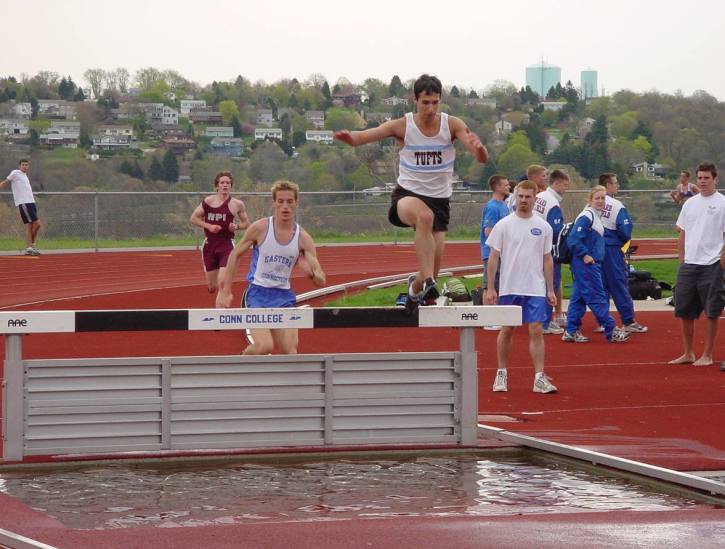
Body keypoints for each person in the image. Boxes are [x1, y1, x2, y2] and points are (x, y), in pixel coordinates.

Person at [334, 74, 488, 311]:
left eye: (435, 102)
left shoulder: (452, 124)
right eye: (425, 102)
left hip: (440, 202)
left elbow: (480, 157)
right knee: (423, 218)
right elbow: (366, 136)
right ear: (415, 100)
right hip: (408, 196)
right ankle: (427, 282)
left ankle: (415, 289)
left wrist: (480, 150)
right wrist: (349, 138)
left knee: (433, 269)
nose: (430, 108)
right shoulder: (403, 125)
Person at [216, 180, 326, 355]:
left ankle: (286, 382)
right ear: (274, 203)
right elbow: (235, 254)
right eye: (280, 201)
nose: (285, 206)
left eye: (289, 201)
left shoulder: (303, 238)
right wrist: (226, 291)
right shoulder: (260, 228)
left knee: (290, 351)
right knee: (264, 346)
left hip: (284, 297)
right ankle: (241, 362)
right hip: (257, 294)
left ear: (296, 203)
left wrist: (312, 274)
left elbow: (321, 278)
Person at [484, 180, 558, 394]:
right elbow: (493, 257)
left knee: (536, 329)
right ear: (516, 197)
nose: (524, 200)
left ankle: (539, 377)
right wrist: (491, 287)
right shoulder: (504, 225)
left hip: (534, 287)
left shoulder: (543, 227)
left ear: (535, 198)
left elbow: (547, 259)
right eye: (521, 196)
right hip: (510, 287)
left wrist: (550, 289)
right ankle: (501, 373)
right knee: (507, 329)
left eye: (528, 197)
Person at [668, 163, 725, 367]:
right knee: (684, 310)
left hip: (712, 263)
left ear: (715, 179)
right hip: (689, 263)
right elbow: (682, 231)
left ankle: (707, 355)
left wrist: (721, 260)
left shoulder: (722, 203)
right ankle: (688, 353)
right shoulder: (690, 204)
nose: (702, 181)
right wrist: (682, 258)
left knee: (711, 311)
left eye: (706, 178)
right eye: (700, 178)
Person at [563, 186, 630, 344]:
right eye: (597, 198)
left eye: (603, 198)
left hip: (588, 263)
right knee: (596, 296)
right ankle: (611, 329)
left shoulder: (595, 216)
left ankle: (571, 330)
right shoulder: (587, 216)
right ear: (590, 200)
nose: (601, 201)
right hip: (586, 264)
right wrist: (585, 254)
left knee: (579, 298)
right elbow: (573, 239)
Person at [598, 173, 648, 334]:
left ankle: (602, 320)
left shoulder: (590, 203)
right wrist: (619, 242)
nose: (618, 186)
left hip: (595, 249)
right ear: (607, 185)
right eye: (615, 183)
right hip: (612, 249)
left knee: (601, 286)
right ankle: (628, 320)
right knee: (619, 284)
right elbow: (625, 230)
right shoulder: (616, 205)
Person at [190, 171, 249, 295]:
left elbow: (246, 223)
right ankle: (214, 288)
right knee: (212, 287)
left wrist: (237, 226)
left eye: (228, 183)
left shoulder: (237, 204)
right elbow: (193, 218)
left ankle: (221, 308)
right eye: (222, 182)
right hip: (210, 245)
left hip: (226, 245)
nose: (225, 185)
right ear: (217, 186)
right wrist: (209, 226)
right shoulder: (208, 201)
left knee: (222, 283)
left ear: (231, 186)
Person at [533, 169, 570, 335]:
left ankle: (537, 319)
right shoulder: (552, 202)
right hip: (546, 250)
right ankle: (545, 322)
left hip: (532, 246)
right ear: (557, 183)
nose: (566, 189)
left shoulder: (539, 197)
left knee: (536, 285)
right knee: (550, 285)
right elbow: (555, 230)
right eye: (565, 185)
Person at [0, 159, 41, 255]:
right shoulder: (15, 173)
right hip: (24, 203)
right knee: (37, 224)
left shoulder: (25, 176)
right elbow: (5, 182)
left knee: (31, 226)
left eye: (26, 165)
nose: (25, 166)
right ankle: (30, 246)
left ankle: (30, 247)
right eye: (23, 165)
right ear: (19, 166)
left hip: (31, 202)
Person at [480, 174, 510, 293]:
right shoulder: (492, 207)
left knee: (500, 285)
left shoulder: (503, 205)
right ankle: (487, 310)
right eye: (506, 185)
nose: (509, 187)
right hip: (492, 252)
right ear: (498, 187)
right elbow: (488, 231)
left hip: (502, 252)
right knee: (489, 286)